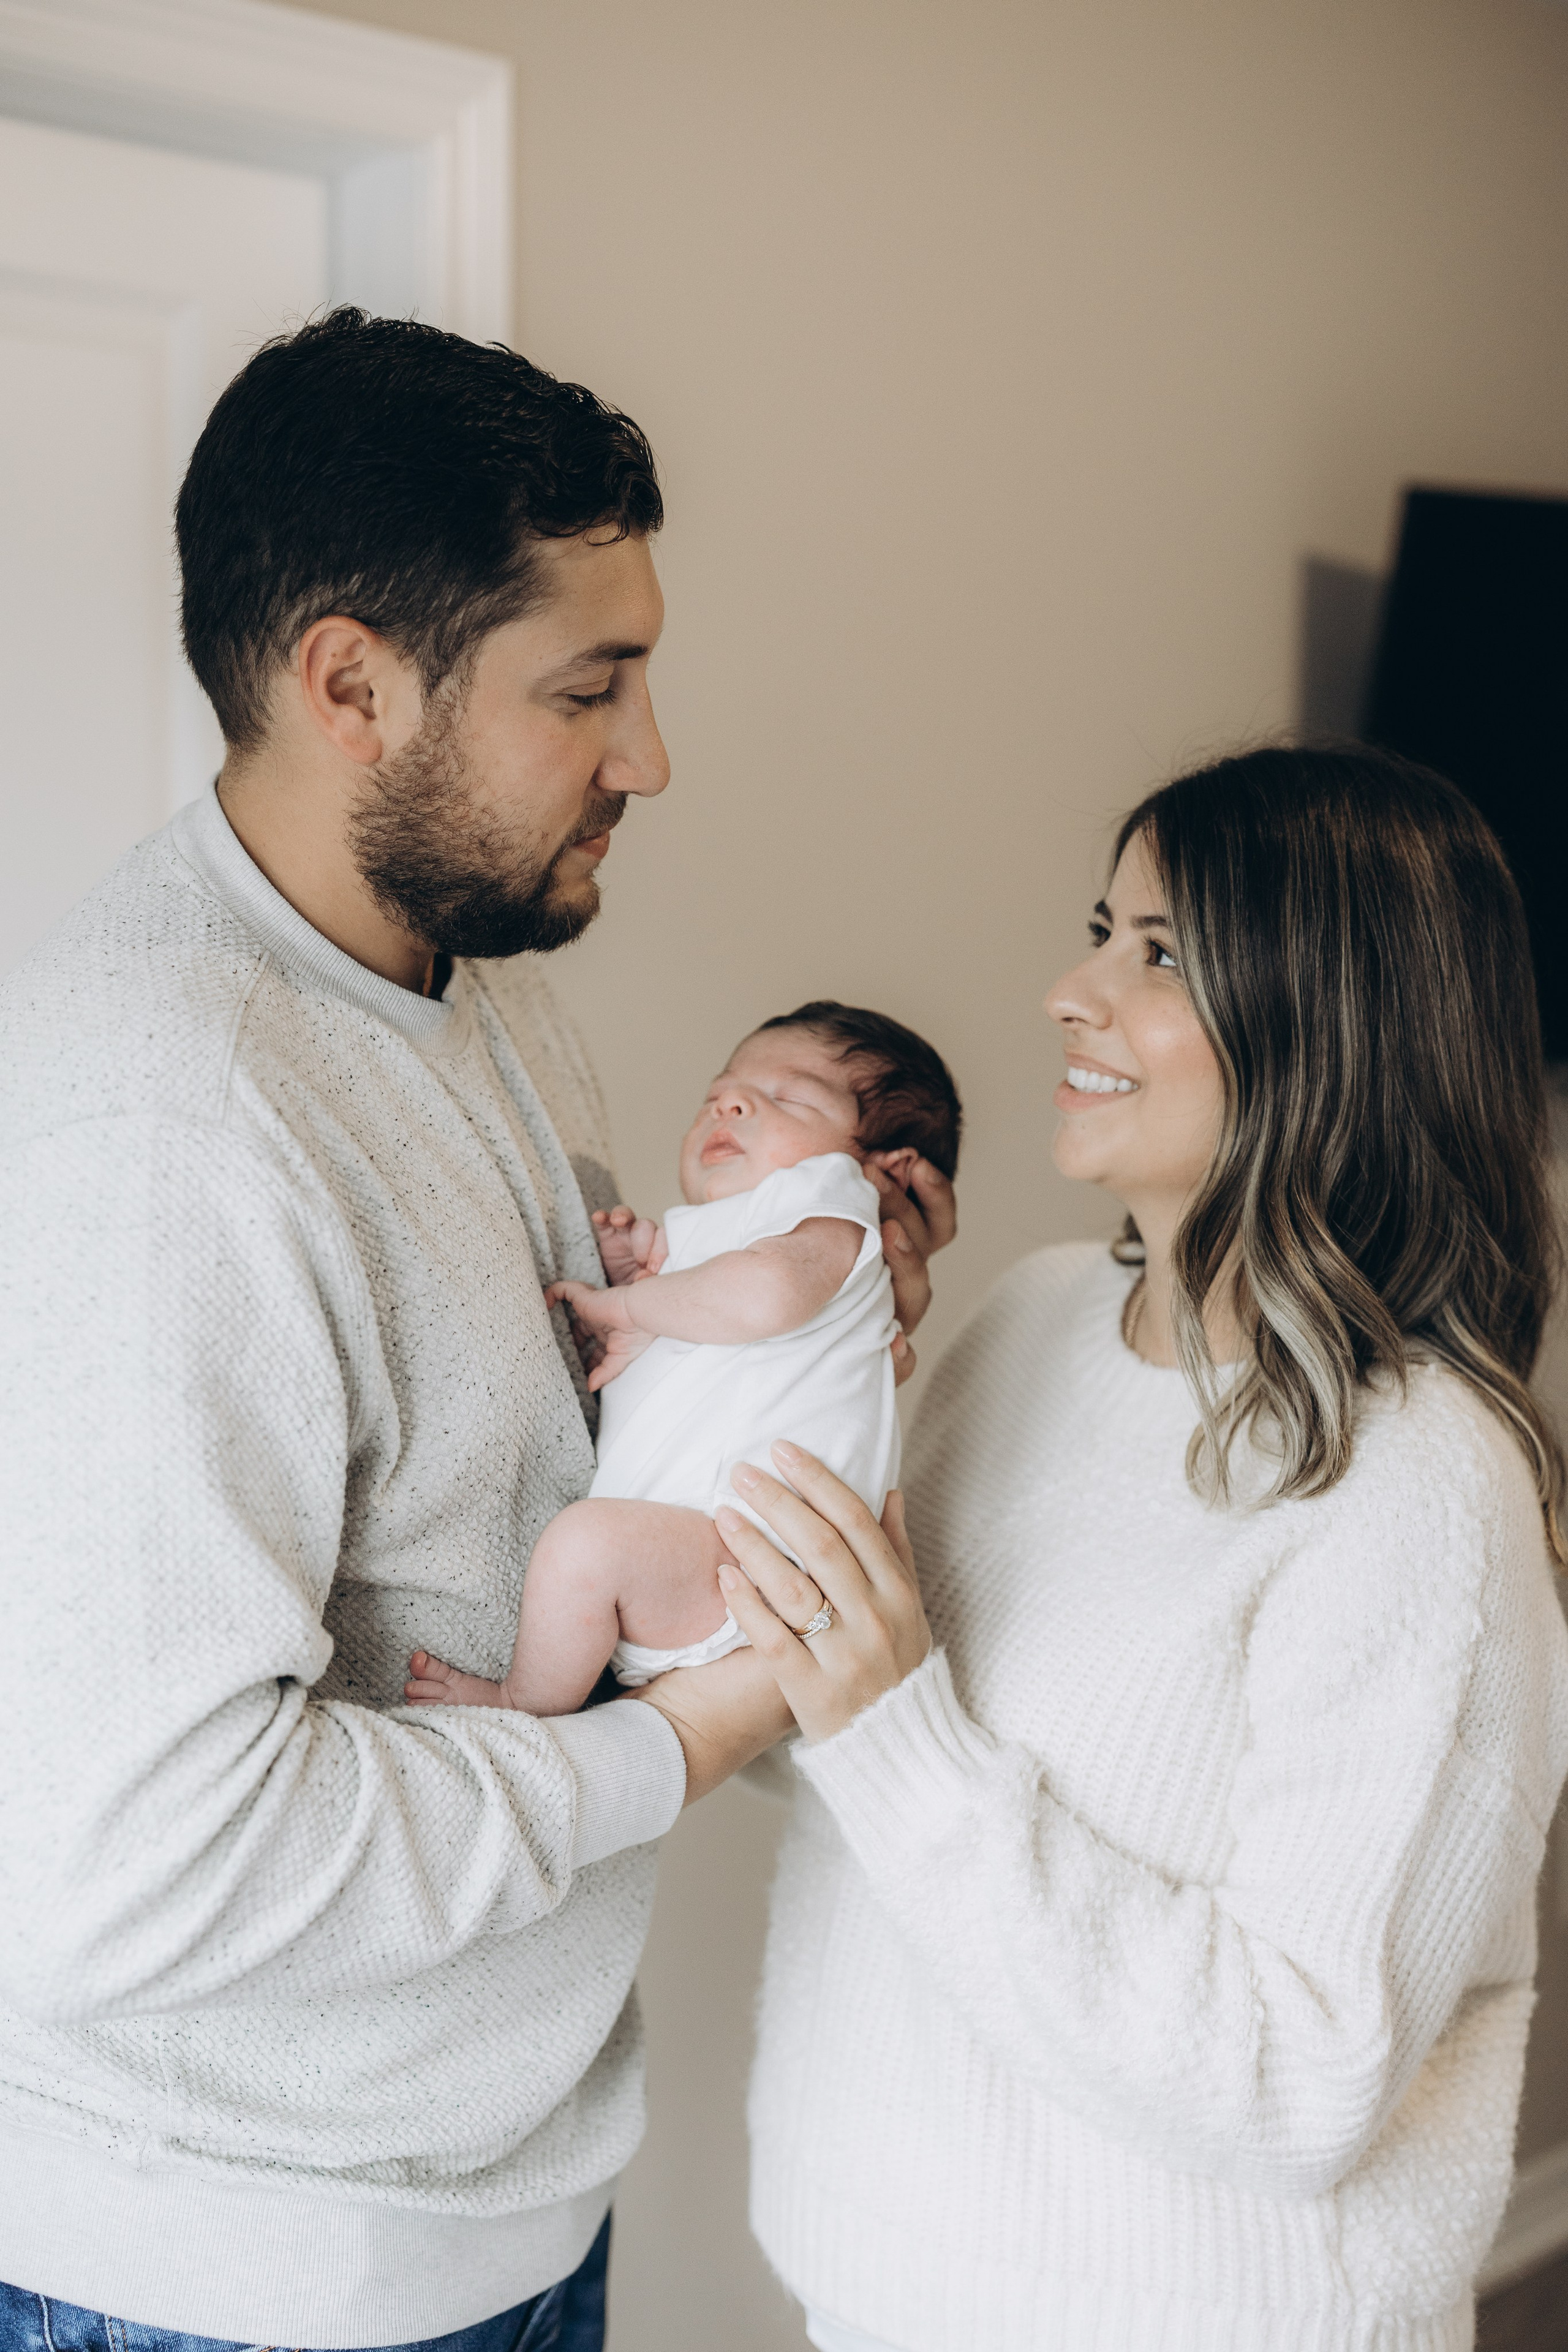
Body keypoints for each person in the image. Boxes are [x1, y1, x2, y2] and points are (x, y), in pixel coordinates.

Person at [0, 310, 953, 2352]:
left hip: (501, 2213)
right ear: (350, 682)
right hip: (238, 2286)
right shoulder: (168, 1123)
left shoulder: (476, 977)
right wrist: (677, 1743)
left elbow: (544, 1477)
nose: (651, 755)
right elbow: (137, 1873)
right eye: (587, 689)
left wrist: (812, 1353)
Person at [717, 744, 1568, 2352]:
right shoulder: (1036, 1317)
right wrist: (773, 1381)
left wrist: (899, 1731)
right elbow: (833, 1750)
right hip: (871, 2299)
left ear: (1331, 1020)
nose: (1070, 991)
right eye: (1100, 929)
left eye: (1158, 954)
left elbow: (1302, 2074)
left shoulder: (1421, 1491)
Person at [404, 1001, 962, 1714]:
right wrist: (641, 1284)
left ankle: (525, 1707)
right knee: (589, 1550)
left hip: (745, 1559)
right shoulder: (736, 1237)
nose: (730, 1102)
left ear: (888, 1173)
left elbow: (762, 1295)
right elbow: (702, 1341)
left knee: (585, 1547)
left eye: (788, 1097)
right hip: (704, 1560)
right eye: (717, 1094)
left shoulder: (833, 1199)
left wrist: (630, 1305)